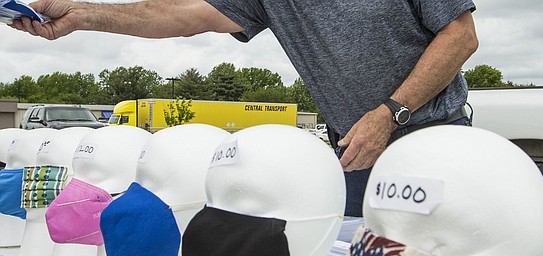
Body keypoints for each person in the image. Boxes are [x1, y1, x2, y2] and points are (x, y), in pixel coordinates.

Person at [12, 0, 478, 216]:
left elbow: (460, 35)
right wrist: (84, 15)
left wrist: (390, 112)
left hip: (433, 139)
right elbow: (180, 16)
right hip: (355, 154)